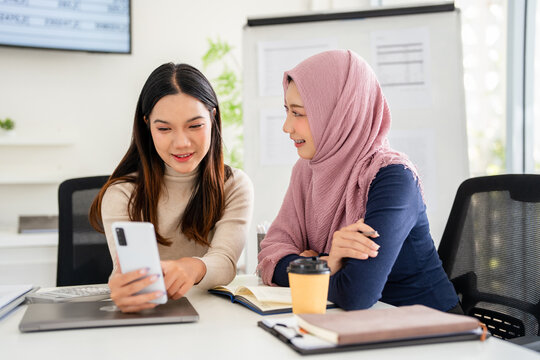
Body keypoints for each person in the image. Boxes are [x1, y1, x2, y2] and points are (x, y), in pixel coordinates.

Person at [257, 50, 461, 313]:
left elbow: (356, 292)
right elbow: (269, 257)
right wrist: (328, 264)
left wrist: (306, 266)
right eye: (287, 111)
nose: (287, 126)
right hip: (360, 327)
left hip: (435, 333)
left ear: (339, 113)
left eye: (298, 113)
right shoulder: (306, 170)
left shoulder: (393, 177)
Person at [90, 63, 253, 313]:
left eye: (195, 126)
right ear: (147, 126)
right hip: (149, 316)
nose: (181, 143)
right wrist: (122, 286)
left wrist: (193, 267)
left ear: (213, 118)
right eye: (164, 129)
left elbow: (226, 261)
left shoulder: (233, 185)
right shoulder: (122, 193)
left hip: (212, 318)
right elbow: (124, 269)